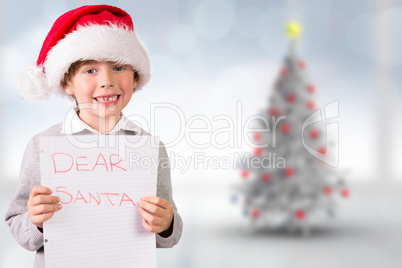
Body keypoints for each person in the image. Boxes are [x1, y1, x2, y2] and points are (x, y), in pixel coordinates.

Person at [4, 5, 182, 267]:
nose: (107, 81)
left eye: (119, 67)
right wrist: (35, 220)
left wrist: (166, 224)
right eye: (90, 70)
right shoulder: (42, 146)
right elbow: (18, 226)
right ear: (66, 83)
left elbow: (168, 234)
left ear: (135, 78)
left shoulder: (150, 148)